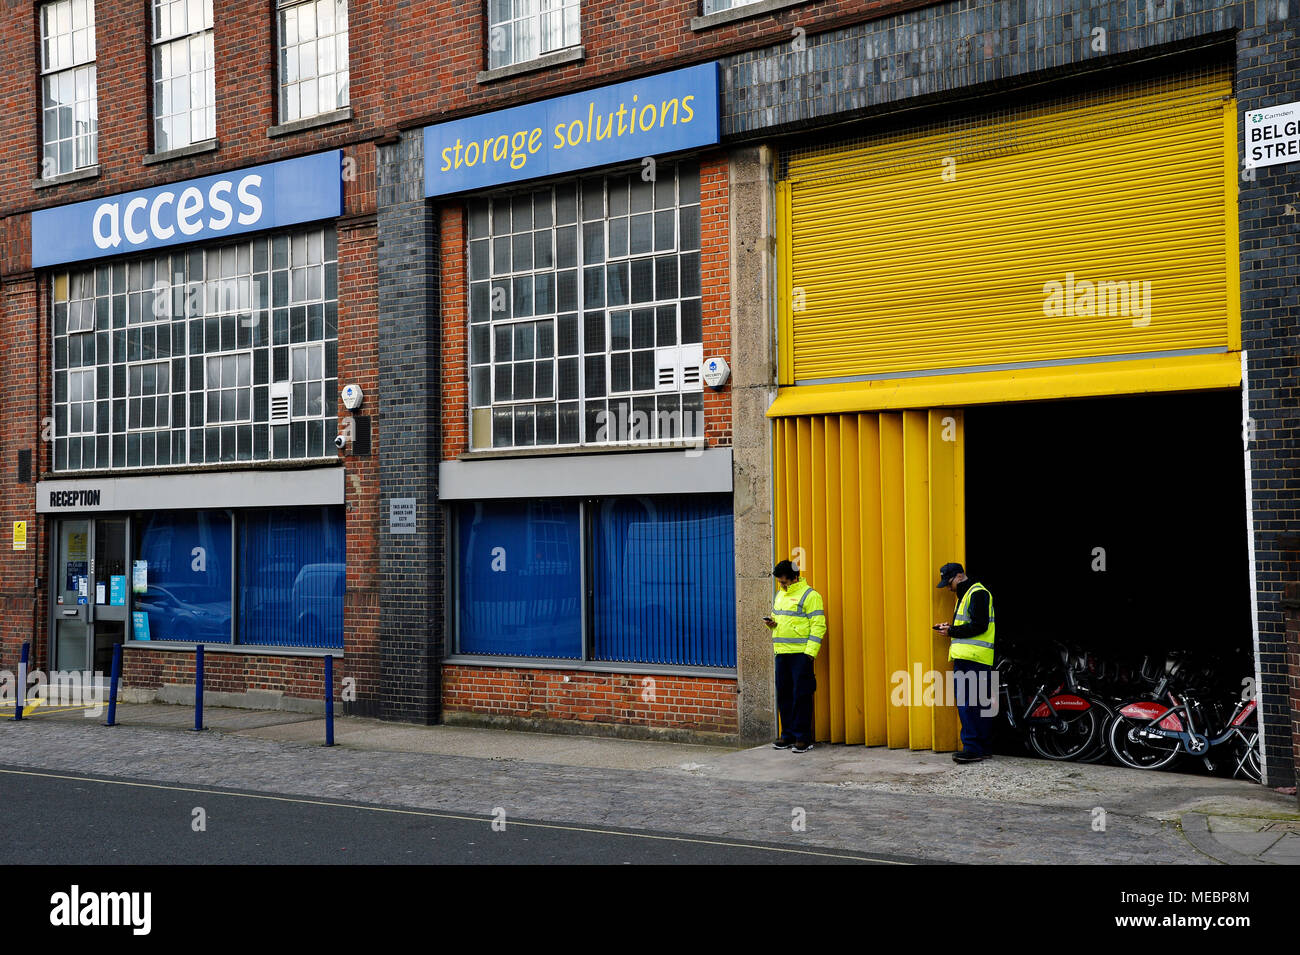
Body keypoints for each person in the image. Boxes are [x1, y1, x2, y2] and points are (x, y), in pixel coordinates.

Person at [934, 562, 995, 764]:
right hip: (975, 658)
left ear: (960, 576)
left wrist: (952, 632)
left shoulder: (976, 593)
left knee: (968, 705)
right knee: (978, 705)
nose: (949, 587)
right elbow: (971, 623)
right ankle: (982, 748)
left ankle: (972, 749)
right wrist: (951, 627)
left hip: (972, 659)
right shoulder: (967, 594)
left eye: (949, 582)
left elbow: (979, 625)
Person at [765, 559, 826, 753]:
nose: (781, 585)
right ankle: (788, 735)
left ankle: (803, 738)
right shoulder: (780, 595)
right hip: (782, 652)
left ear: (795, 578)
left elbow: (819, 625)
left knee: (801, 695)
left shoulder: (811, 596)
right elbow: (780, 618)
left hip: (801, 655)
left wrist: (810, 654)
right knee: (784, 695)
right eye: (780, 583)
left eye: (784, 582)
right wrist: (772, 624)